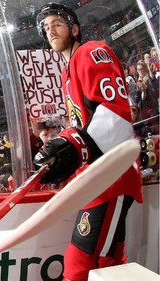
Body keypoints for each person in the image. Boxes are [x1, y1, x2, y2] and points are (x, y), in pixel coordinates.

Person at [34, 3, 143, 281]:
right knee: (106, 263)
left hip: (110, 176)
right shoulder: (67, 72)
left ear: (74, 28)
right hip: (96, 179)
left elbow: (115, 112)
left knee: (86, 265)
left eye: (57, 23)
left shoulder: (91, 51)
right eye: (46, 28)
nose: (50, 30)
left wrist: (73, 145)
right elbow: (81, 126)